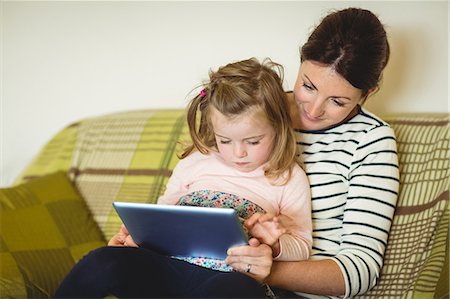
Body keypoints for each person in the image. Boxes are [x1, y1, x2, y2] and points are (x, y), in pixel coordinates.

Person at [54, 57, 312, 298]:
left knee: (237, 290)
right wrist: (138, 238)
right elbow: (163, 214)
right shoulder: (195, 162)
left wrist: (274, 243)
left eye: (253, 141)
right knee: (103, 260)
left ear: (278, 127)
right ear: (213, 130)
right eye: (225, 140)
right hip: (167, 268)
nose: (239, 152)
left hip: (229, 277)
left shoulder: (288, 177)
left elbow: (302, 246)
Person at [226, 7, 400, 298]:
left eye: (337, 101)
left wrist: (265, 270)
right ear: (301, 60)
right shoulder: (261, 110)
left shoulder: (371, 141)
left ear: (367, 93)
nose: (314, 109)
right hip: (214, 268)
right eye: (308, 86)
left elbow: (362, 269)